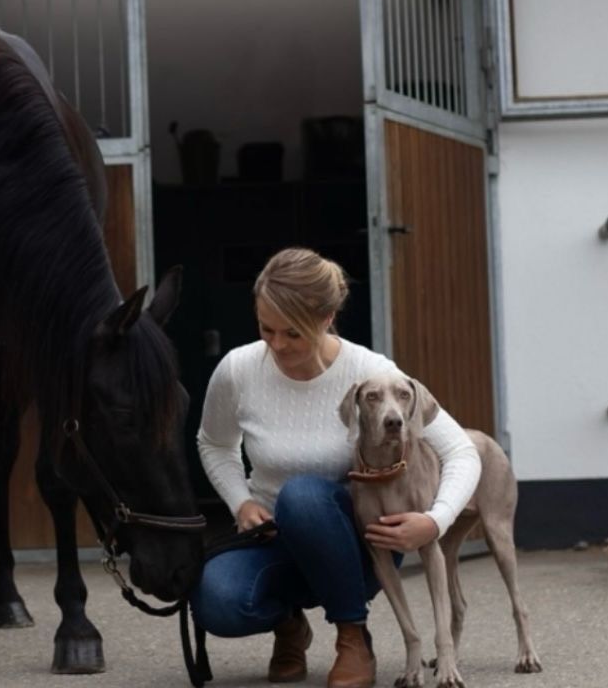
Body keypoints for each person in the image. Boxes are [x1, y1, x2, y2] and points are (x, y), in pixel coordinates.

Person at [190, 247, 482, 688]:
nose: (277, 345)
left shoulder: (369, 372)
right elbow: (214, 443)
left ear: (326, 318)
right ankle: (290, 626)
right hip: (273, 538)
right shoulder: (239, 369)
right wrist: (242, 502)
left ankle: (352, 637)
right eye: (266, 329)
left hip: (356, 545)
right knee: (217, 602)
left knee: (303, 495)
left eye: (292, 333)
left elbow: (463, 452)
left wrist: (434, 521)